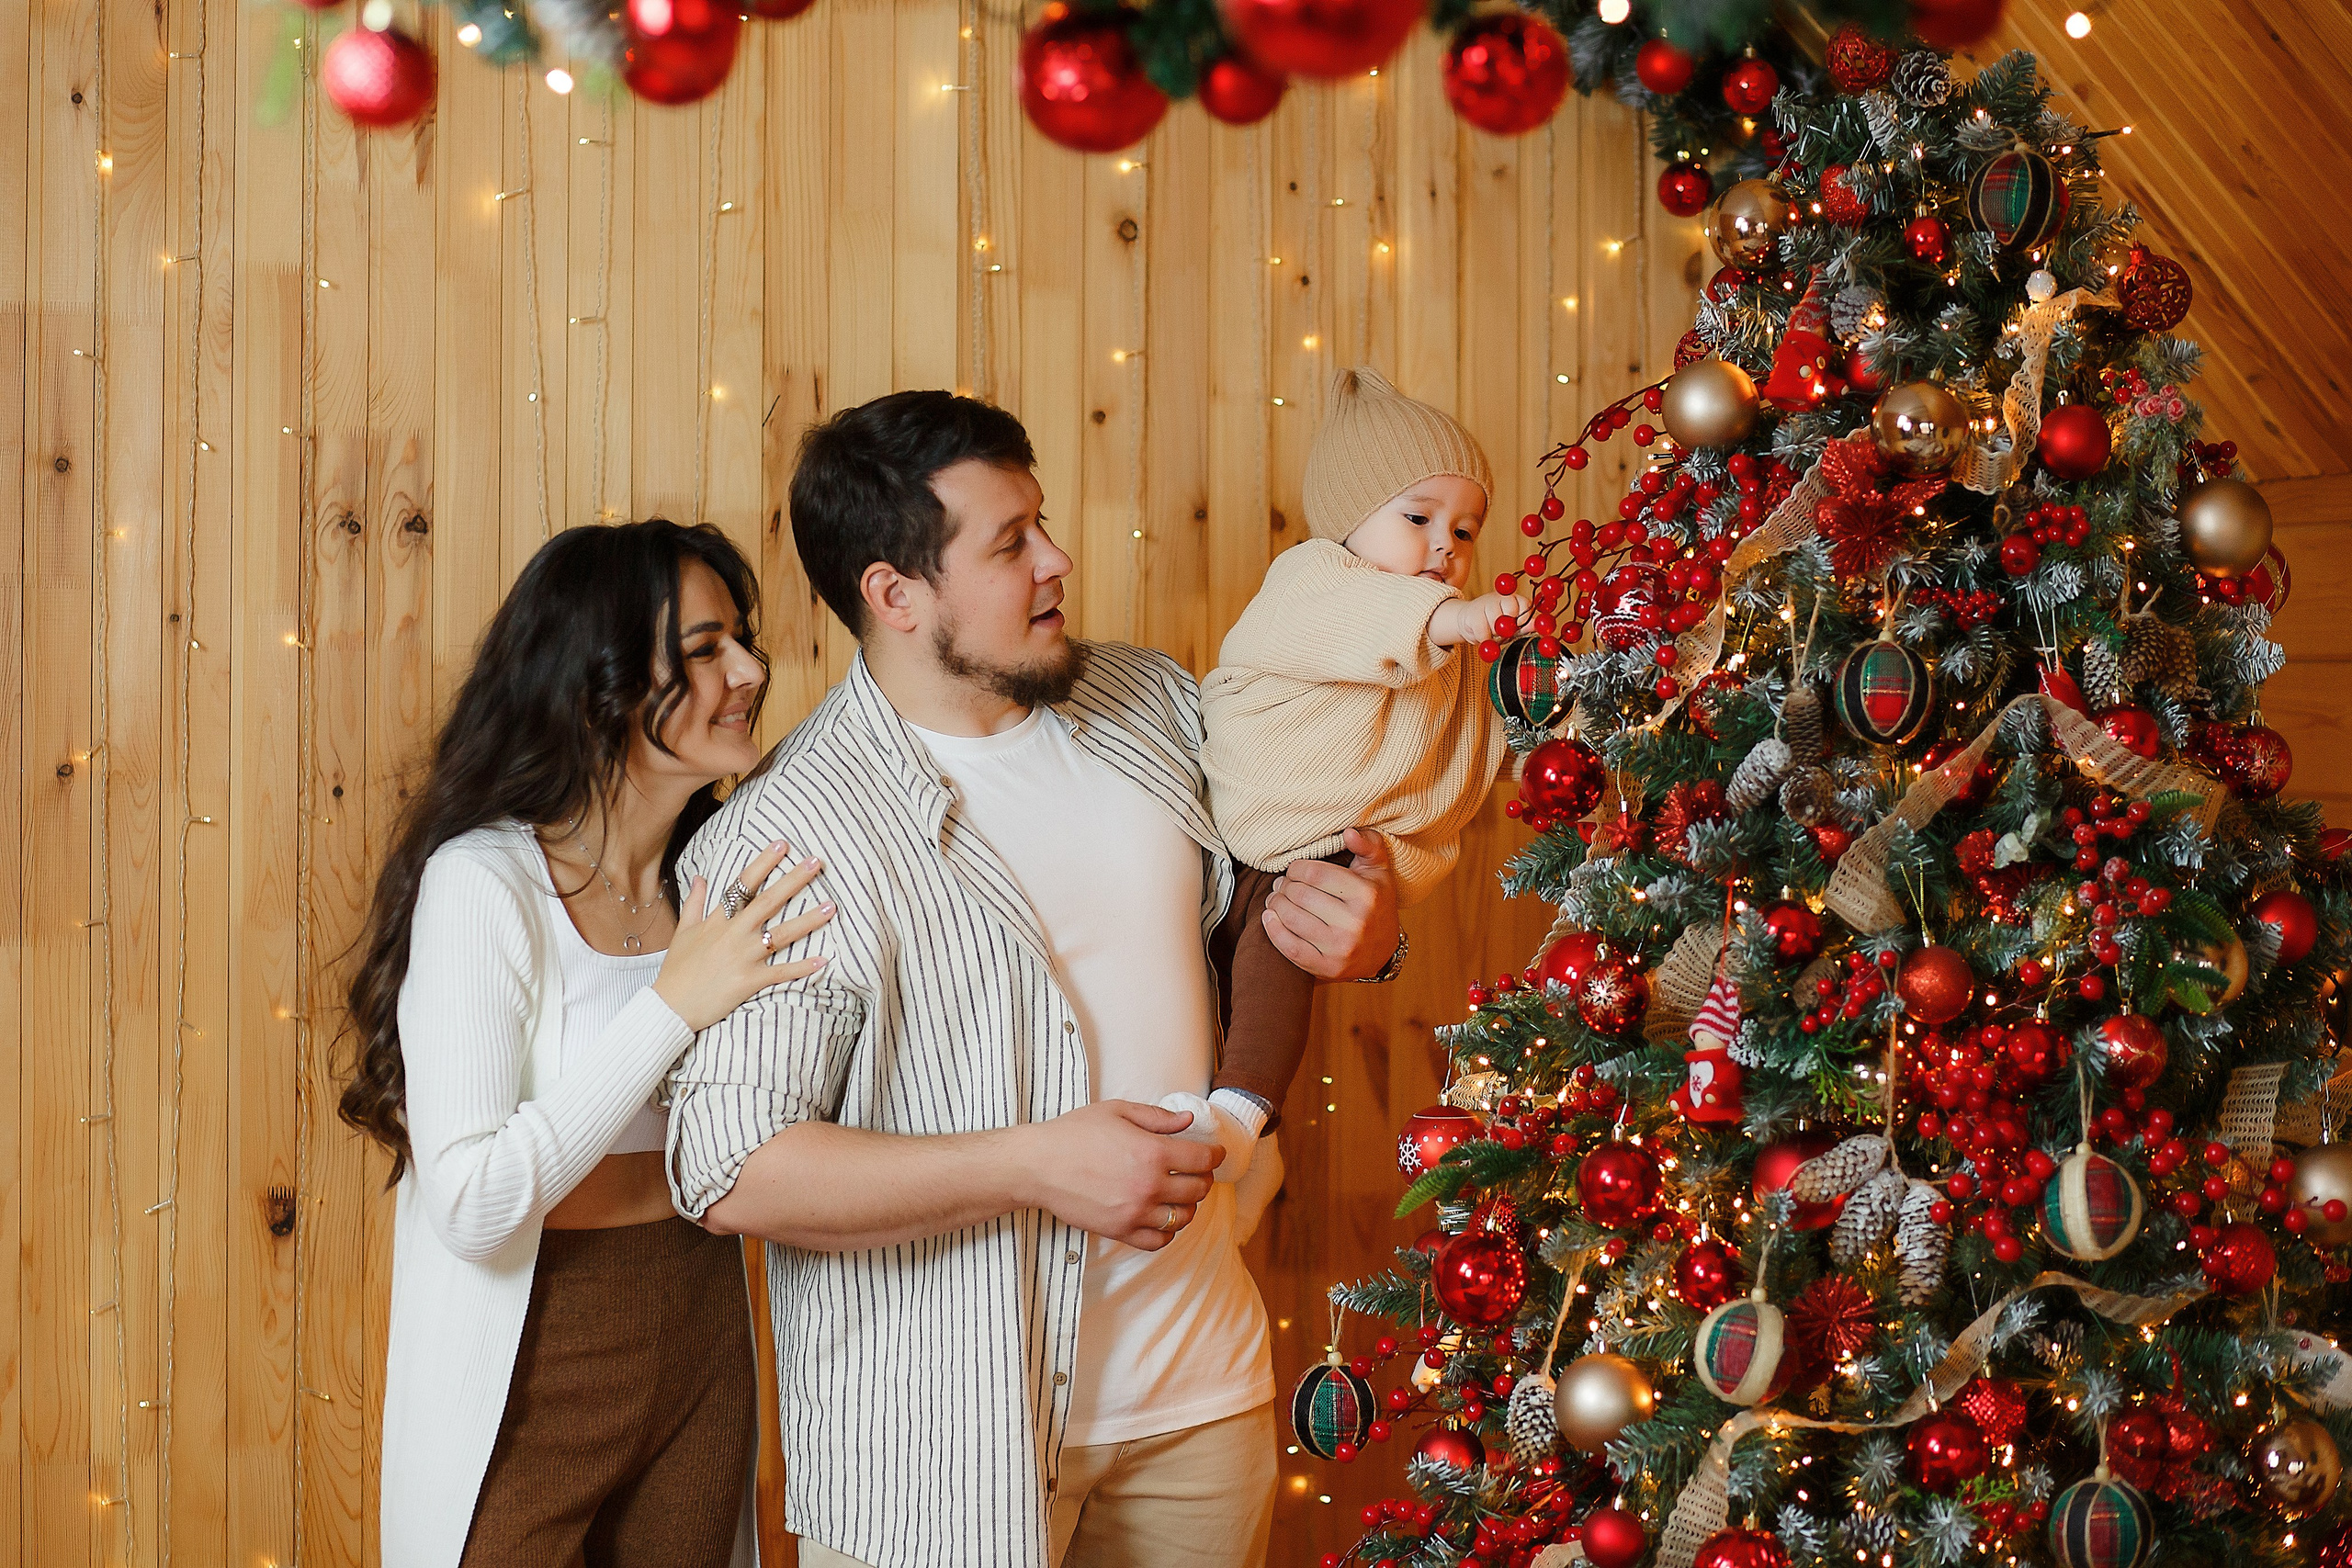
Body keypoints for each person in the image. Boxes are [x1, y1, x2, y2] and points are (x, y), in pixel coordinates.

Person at [665, 390, 1406, 1568]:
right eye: (1010, 543)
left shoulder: (1152, 703)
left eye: (1042, 523)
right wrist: (1029, 1165)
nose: (1057, 560)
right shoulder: (788, 835)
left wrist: (1368, 931)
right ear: (896, 595)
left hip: (1203, 1402)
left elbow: (1271, 904)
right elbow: (732, 1167)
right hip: (940, 1447)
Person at [339, 520, 837, 1568]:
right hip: (534, 1348)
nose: (751, 671)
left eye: (742, 641)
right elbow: (471, 1203)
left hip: (700, 1317)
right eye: (705, 649)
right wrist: (671, 1005)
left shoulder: (726, 879)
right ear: (598, 684)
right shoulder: (485, 884)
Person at [1199, 366, 1520, 1141]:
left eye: (1466, 530)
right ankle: (1241, 1105)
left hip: (1328, 855)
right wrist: (1461, 618)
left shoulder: (1443, 642)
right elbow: (1376, 617)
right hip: (1268, 829)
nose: (1445, 544)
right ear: (1346, 522)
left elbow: (1476, 736)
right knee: (1260, 959)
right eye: (1418, 517)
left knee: (1277, 959)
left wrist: (1536, 731)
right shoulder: (1313, 581)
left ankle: (1242, 1111)